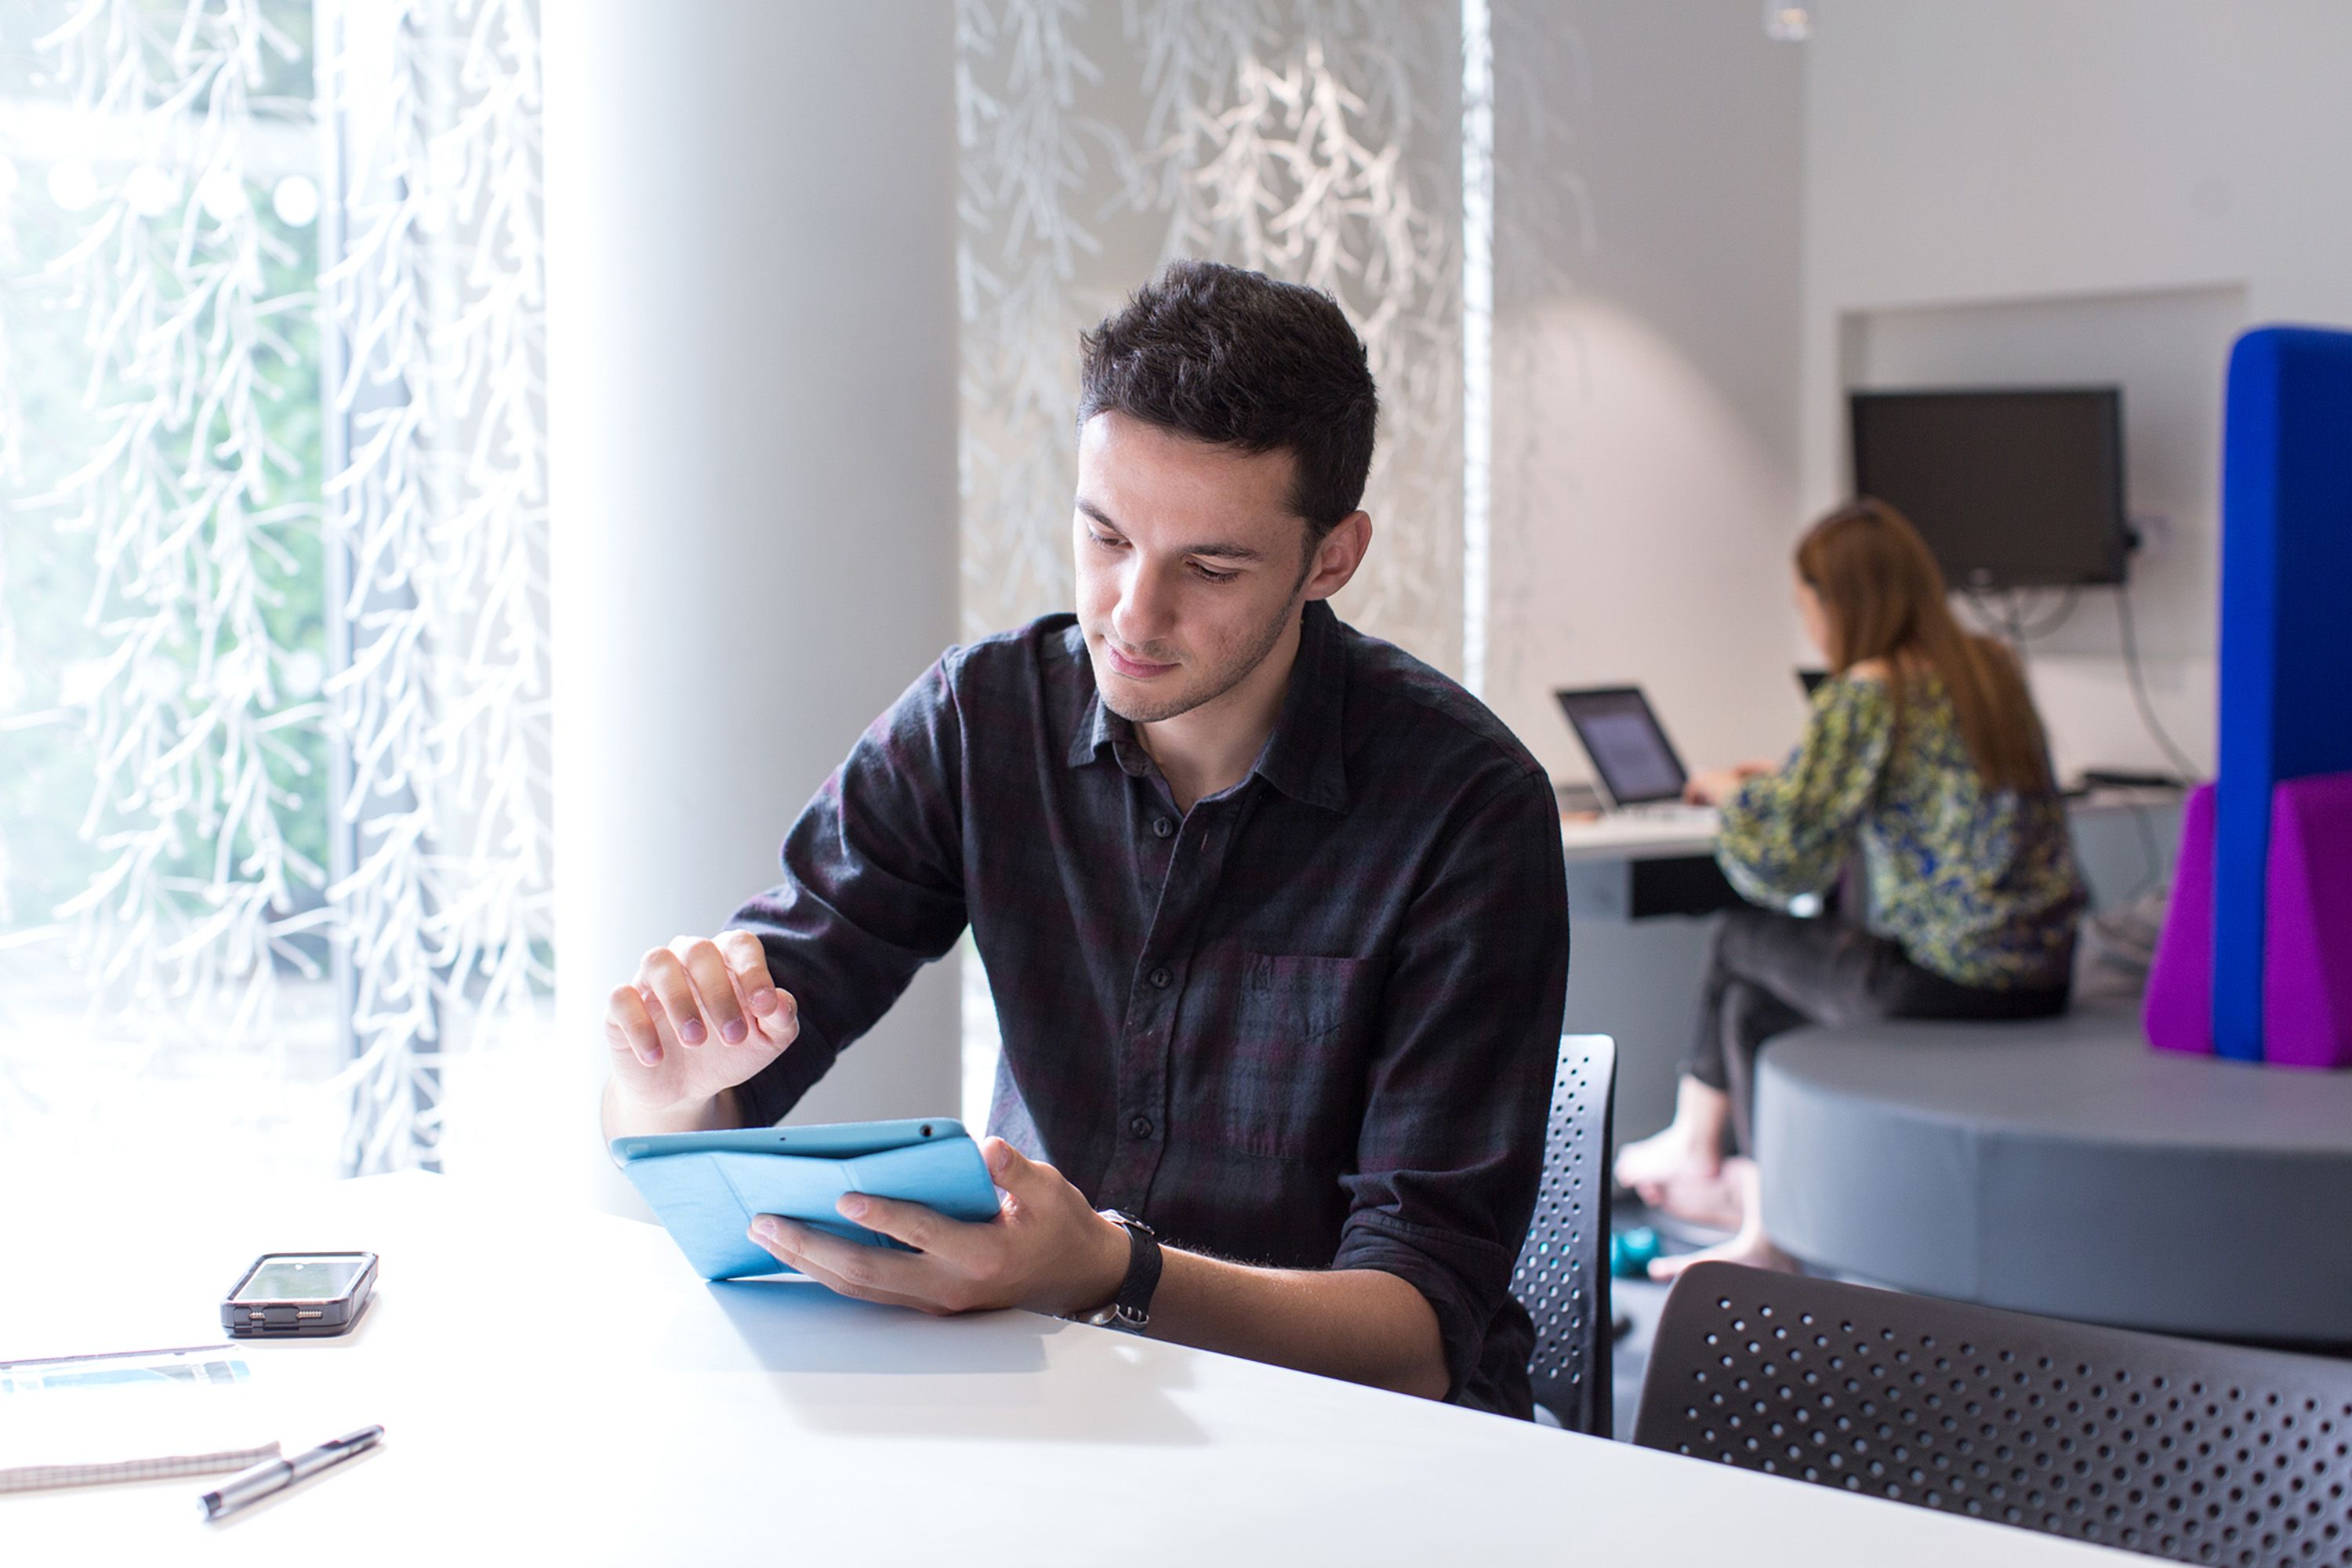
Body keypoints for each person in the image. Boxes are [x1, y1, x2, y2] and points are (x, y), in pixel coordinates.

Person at [599, 260, 1571, 1416]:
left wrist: (1117, 1271)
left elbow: (1417, 1337)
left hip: (1366, 1452)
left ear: (1332, 558)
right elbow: (689, 1118)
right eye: (1105, 537)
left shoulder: (1466, 807)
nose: (1132, 614)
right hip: (1060, 1399)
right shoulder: (981, 721)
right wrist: (677, 1082)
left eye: (1209, 567)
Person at [1613, 498, 2087, 1276]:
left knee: (1738, 937)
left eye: (1810, 606)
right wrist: (1784, 778)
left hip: (1944, 982)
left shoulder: (1868, 693)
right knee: (1755, 1002)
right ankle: (1768, 1235)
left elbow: (1783, 856)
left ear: (1839, 602)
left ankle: (1695, 1143)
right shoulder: (1989, 670)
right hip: (2037, 976)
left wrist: (1734, 793)